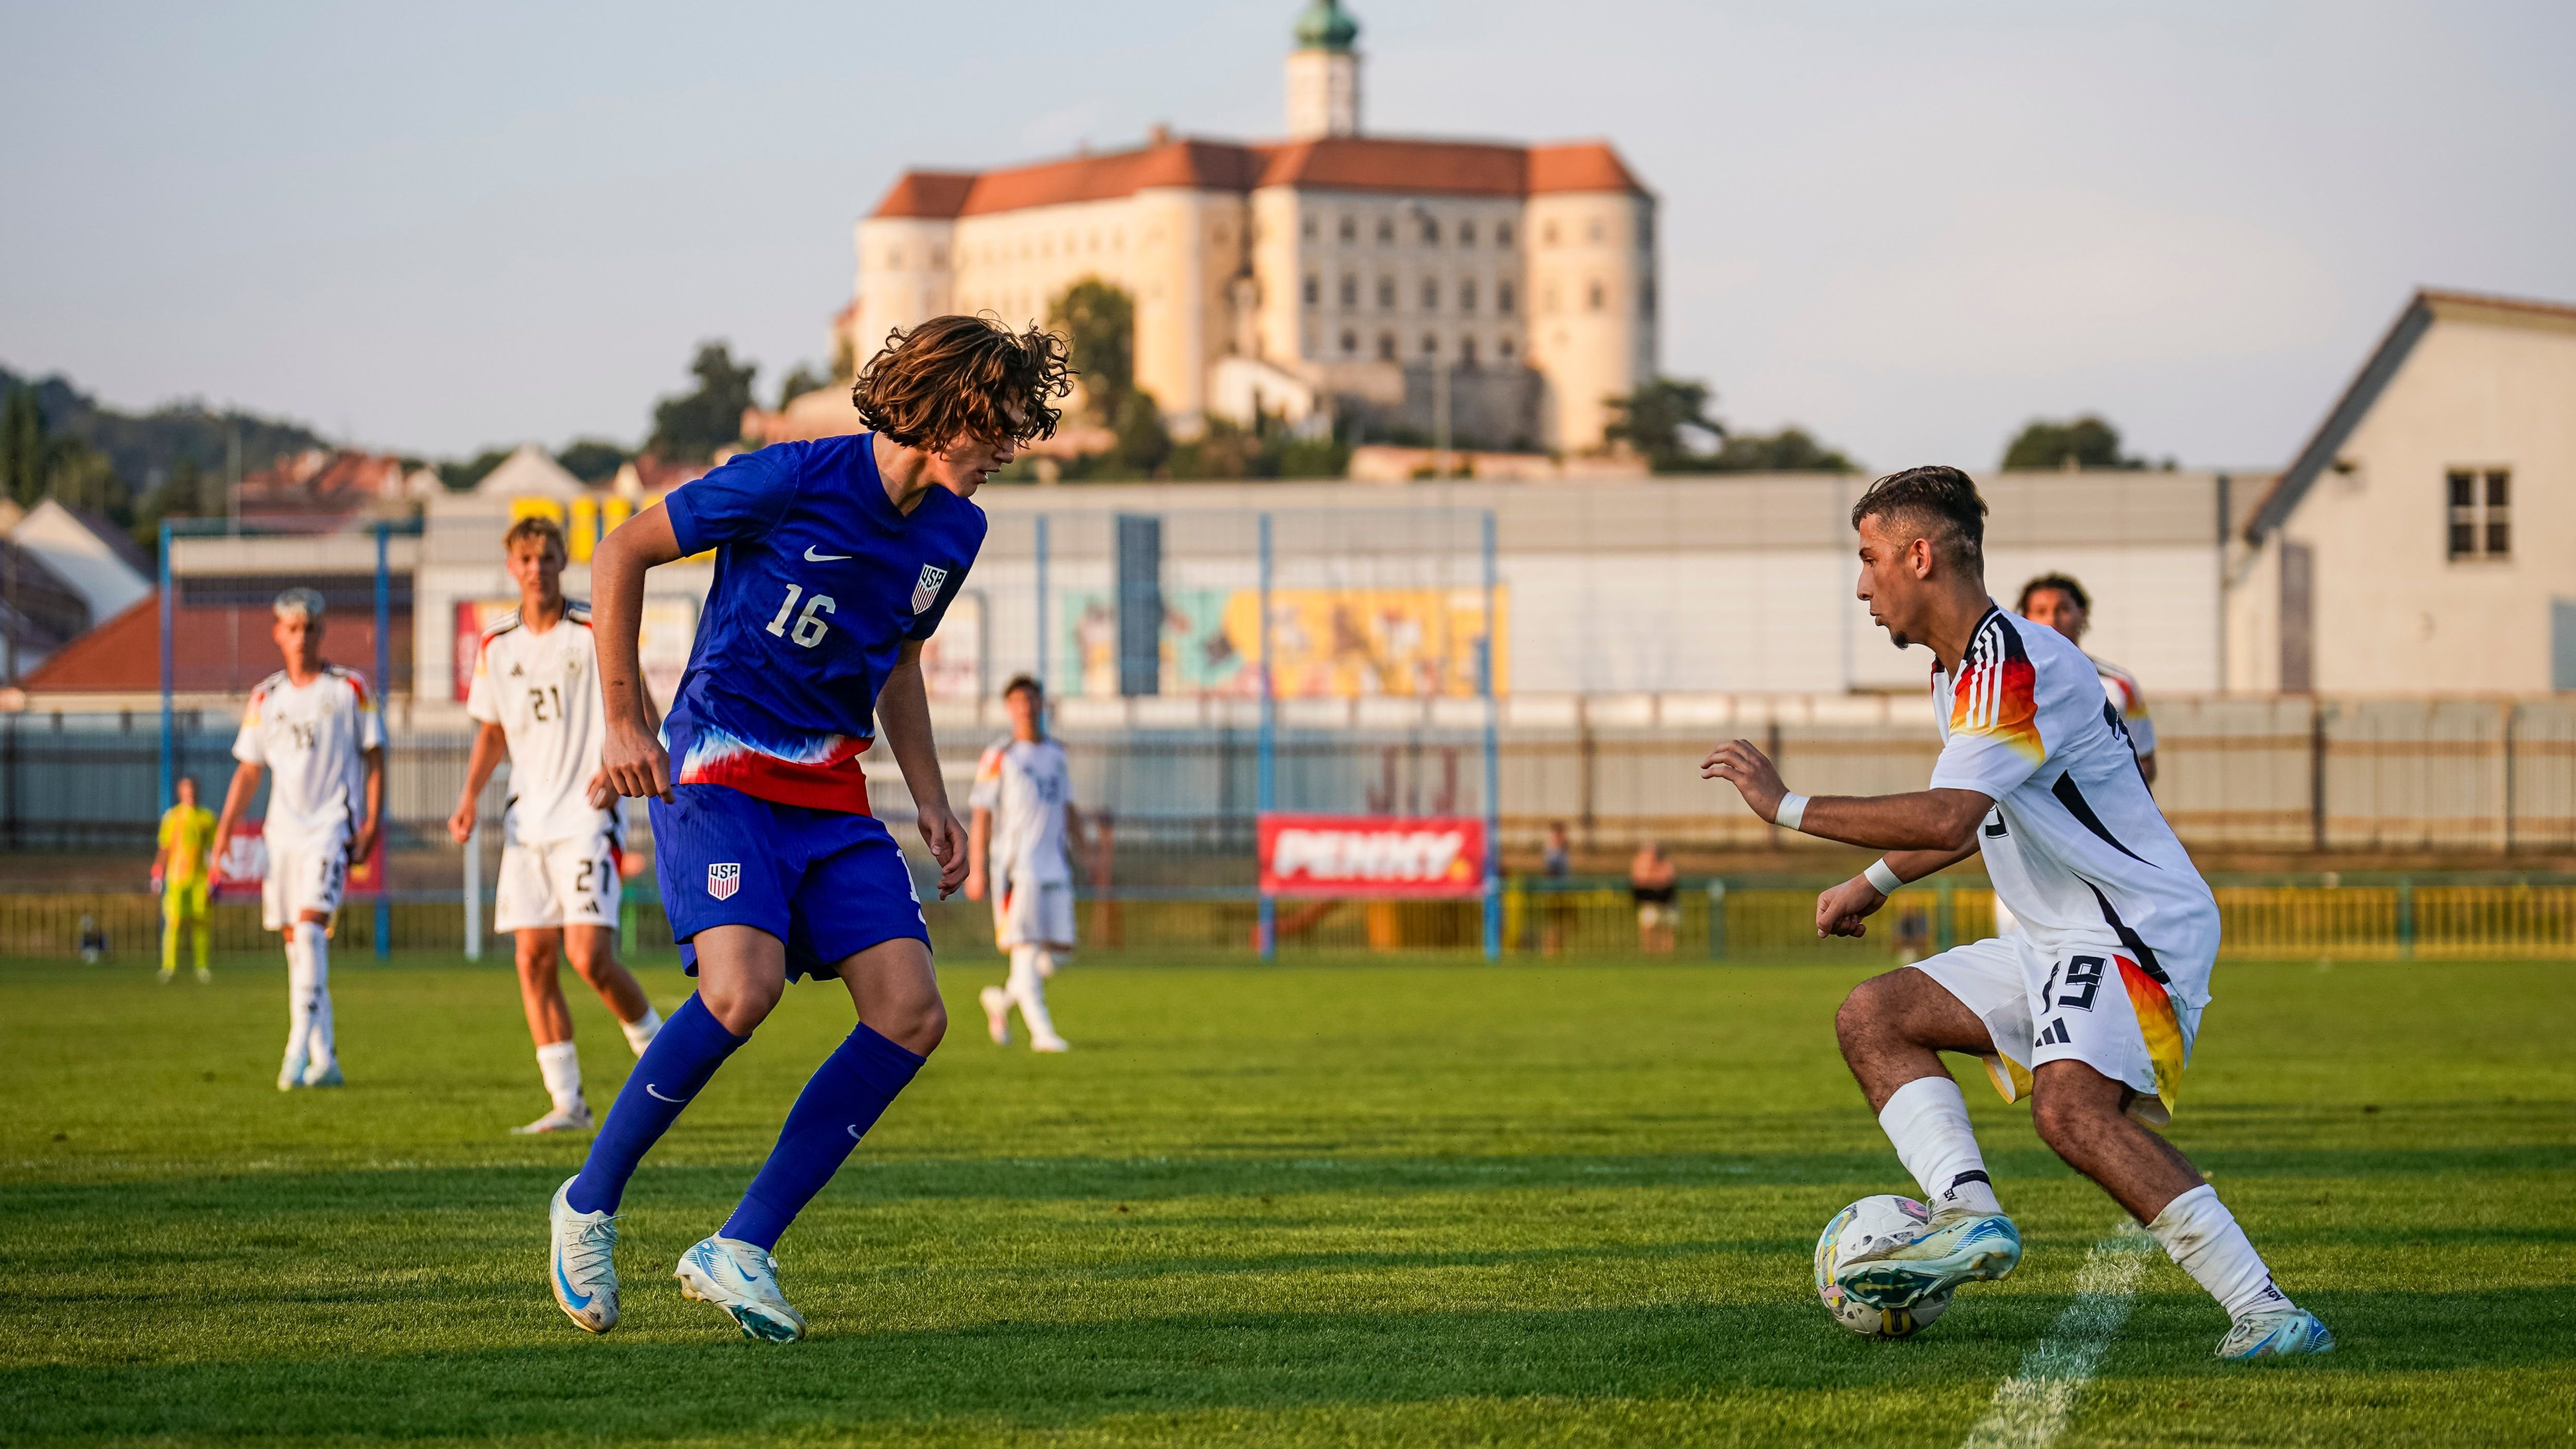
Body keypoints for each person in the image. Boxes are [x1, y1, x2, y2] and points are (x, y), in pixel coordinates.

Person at [1701, 465, 2331, 1360]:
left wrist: (1787, 805)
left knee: (2071, 1113)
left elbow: (1948, 816)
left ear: (1920, 557)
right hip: (2055, 935)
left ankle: (2266, 1311)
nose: (1861, 585)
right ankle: (1966, 1212)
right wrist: (1873, 882)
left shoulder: (2014, 665)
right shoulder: (1955, 674)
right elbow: (1978, 816)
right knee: (1874, 1016)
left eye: (1869, 559)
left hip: (2131, 929)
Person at [548, 314, 1067, 1343]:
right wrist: (624, 717)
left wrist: (931, 796)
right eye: (1001, 424)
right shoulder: (790, 478)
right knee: (741, 990)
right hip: (720, 768)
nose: (1011, 447)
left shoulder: (957, 532)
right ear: (950, 411)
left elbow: (898, 661)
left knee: (912, 1013)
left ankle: (740, 1246)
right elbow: (620, 551)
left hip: (829, 787)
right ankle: (588, 1202)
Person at [449, 515, 665, 1136]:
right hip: (527, 821)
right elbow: (493, 730)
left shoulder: (595, 629)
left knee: (588, 955)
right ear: (511, 567)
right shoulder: (496, 645)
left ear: (562, 562)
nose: (536, 568)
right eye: (526, 558)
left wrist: (620, 766)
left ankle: (662, 1062)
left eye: (546, 557)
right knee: (532, 959)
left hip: (588, 814)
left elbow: (645, 711)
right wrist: (469, 796)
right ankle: (568, 1102)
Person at [211, 587, 385, 1092]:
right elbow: (249, 769)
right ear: (278, 634)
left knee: (310, 933)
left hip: (331, 827)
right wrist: (224, 830)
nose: (302, 636)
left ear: (321, 631)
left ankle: (294, 1051)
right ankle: (325, 1058)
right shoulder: (265, 697)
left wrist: (372, 822)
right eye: (292, 628)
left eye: (310, 627)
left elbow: (375, 755)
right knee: (297, 948)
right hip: (282, 835)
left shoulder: (350, 688)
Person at [967, 674, 1082, 1053]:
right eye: (1018, 701)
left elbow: (1068, 807)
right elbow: (981, 812)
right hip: (1018, 869)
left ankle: (1001, 1001)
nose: (1026, 707)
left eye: (1031, 699)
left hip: (1056, 866)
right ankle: (1042, 1034)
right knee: (1026, 953)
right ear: (1009, 708)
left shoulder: (1057, 755)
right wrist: (978, 868)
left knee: (1058, 955)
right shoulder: (1000, 756)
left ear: (1041, 704)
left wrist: (1087, 852)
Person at [2016, 572, 2156, 787]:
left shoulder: (2119, 684)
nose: (2053, 620)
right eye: (2041, 612)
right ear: (2025, 619)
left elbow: (2145, 762)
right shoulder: (2009, 686)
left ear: (2081, 614)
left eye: (2063, 609)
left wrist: (2100, 791)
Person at [154, 775, 217, 984]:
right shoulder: (172, 817)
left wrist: (214, 875)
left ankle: (202, 967)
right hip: (176, 878)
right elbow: (165, 847)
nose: (190, 795)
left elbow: (213, 850)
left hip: (200, 878)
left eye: (193, 791)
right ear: (180, 793)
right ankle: (169, 967)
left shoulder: (207, 817)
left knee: (201, 922)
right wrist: (157, 871)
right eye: (186, 791)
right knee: (174, 923)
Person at [1629, 839, 1678, 953]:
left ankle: (1667, 952)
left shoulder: (1665, 863)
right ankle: (1649, 952)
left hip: (1665, 900)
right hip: (1648, 900)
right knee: (1648, 926)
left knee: (1667, 926)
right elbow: (1640, 880)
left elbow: (1667, 879)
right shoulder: (1640, 863)